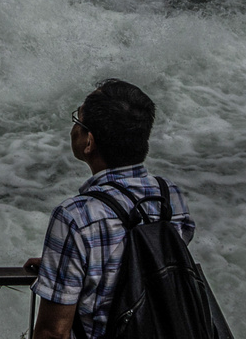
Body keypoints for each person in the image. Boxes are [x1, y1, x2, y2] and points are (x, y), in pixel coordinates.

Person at [25, 79, 196, 339]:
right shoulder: (169, 196)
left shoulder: (76, 217)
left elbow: (53, 333)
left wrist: (75, 262)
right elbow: (153, 266)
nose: (74, 128)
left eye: (78, 122)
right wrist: (64, 263)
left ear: (89, 142)